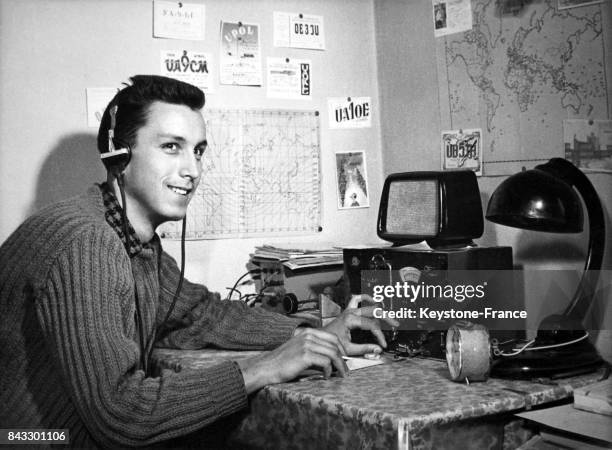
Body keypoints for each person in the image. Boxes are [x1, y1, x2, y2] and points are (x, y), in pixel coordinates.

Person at [0, 75, 396, 448]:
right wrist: (265, 367)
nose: (192, 170)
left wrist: (316, 331)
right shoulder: (86, 242)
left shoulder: (136, 244)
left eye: (198, 150)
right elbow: (122, 414)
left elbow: (203, 316)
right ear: (118, 154)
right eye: (171, 147)